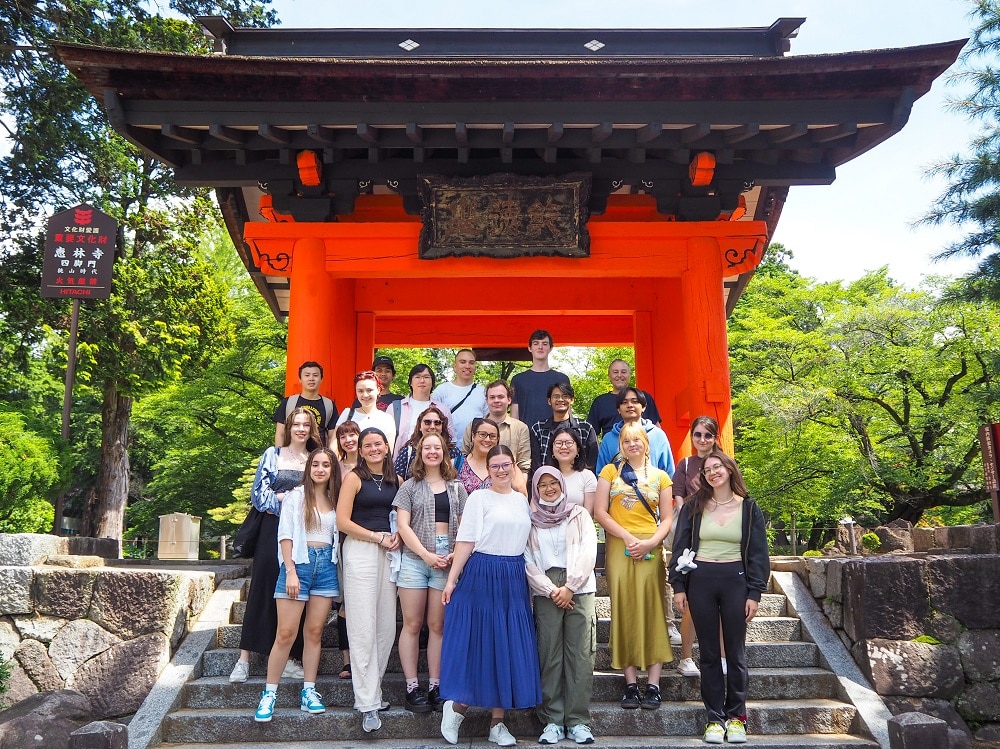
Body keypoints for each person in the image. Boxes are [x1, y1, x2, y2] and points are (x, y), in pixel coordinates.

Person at [439, 445, 542, 747]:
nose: (500, 470)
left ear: (514, 467)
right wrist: (451, 580)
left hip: (513, 578)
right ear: (488, 469)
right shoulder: (479, 498)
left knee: (507, 647)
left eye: (505, 464)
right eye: (494, 465)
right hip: (483, 573)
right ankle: (456, 709)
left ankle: (498, 723)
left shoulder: (523, 501)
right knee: (479, 644)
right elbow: (466, 539)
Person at [669, 450, 769, 746]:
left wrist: (755, 592)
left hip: (735, 582)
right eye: (707, 469)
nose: (713, 472)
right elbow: (680, 547)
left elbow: (758, 554)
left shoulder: (749, 508)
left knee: (735, 653)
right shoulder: (693, 506)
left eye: (718, 467)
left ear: (729, 470)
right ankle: (714, 718)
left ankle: (737, 718)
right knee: (710, 653)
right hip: (700, 582)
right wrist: (678, 586)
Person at [230, 408, 320, 684]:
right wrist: (288, 499)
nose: (301, 429)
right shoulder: (274, 454)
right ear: (289, 427)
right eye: (297, 424)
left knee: (296, 592)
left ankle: (291, 658)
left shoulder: (314, 459)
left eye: (306, 425)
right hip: (272, 529)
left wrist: (294, 502)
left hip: (303, 531)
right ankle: (244, 658)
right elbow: (260, 495)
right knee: (263, 587)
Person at [254, 447, 342, 722]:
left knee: (314, 632)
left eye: (325, 465)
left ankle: (309, 690)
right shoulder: (295, 496)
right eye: (315, 464)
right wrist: (290, 570)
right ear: (309, 468)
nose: (319, 469)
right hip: (299, 566)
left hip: (326, 567)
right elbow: (286, 534)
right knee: (286, 633)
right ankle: (269, 693)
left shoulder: (335, 498)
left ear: (331, 470)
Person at [594, 422, 674, 711]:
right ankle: (630, 683)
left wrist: (650, 542)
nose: (632, 444)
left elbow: (666, 519)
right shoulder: (609, 473)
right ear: (621, 446)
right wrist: (627, 537)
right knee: (624, 609)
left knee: (653, 610)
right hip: (619, 546)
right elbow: (599, 511)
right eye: (626, 441)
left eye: (636, 440)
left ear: (646, 443)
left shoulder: (661, 477)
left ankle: (653, 684)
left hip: (651, 548)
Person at [393, 432, 469, 713]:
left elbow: (465, 526)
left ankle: (436, 686)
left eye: (437, 447)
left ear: (444, 452)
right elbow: (403, 526)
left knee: (438, 626)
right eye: (427, 448)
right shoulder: (409, 487)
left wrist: (454, 554)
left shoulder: (457, 487)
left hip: (446, 558)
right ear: (420, 452)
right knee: (412, 625)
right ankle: (412, 687)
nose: (432, 452)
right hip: (415, 558)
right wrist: (425, 555)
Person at [524, 467, 598, 746]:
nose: (549, 488)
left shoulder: (579, 514)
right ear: (535, 489)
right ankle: (553, 720)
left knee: (581, 654)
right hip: (546, 589)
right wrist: (551, 589)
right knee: (549, 652)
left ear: (562, 485)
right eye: (542, 485)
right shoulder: (531, 520)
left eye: (554, 483)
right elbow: (527, 558)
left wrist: (570, 586)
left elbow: (589, 550)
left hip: (579, 586)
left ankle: (578, 720)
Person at [336, 427, 401, 733]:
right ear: (359, 451)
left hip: (389, 553)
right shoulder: (353, 478)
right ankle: (368, 704)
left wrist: (397, 537)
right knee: (362, 626)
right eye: (367, 445)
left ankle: (372, 691)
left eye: (378, 444)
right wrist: (376, 536)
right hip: (361, 550)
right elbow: (342, 521)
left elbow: (402, 518)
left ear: (387, 447)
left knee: (386, 627)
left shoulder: (396, 480)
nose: (373, 449)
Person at [671, 416, 723, 677]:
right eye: (698, 434)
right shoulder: (686, 463)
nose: (702, 440)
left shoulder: (725, 464)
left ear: (715, 438)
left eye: (708, 435)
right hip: (693, 532)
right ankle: (687, 657)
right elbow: (678, 492)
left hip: (721, 536)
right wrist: (685, 513)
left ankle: (723, 657)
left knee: (725, 602)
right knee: (692, 600)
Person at [333, 420, 361, 680]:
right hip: (339, 537)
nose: (349, 440)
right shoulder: (335, 468)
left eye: (353, 434)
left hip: (365, 538)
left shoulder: (369, 468)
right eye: (344, 436)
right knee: (343, 600)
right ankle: (347, 660)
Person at [596, 387, 675, 477]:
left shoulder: (657, 435)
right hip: (617, 490)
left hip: (653, 489)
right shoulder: (609, 438)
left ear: (643, 407)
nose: (630, 405)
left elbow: (669, 472)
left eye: (634, 401)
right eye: (624, 402)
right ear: (618, 410)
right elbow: (601, 474)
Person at [529, 381, 598, 478]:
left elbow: (592, 461)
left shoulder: (585, 428)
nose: (560, 399)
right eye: (556, 396)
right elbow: (536, 463)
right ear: (549, 401)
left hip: (579, 484)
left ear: (572, 400)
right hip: (547, 484)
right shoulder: (538, 428)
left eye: (565, 396)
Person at [461, 379, 531, 474]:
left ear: (509, 400)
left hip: (508, 483)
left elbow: (524, 465)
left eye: (500, 397)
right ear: (487, 400)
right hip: (475, 483)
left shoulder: (521, 428)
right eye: (492, 397)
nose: (496, 400)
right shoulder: (473, 426)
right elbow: (464, 458)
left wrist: (520, 487)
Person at [391, 363, 456, 458]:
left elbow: (451, 439)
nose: (422, 381)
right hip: (401, 464)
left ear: (432, 382)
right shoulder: (395, 407)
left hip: (435, 462)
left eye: (426, 377)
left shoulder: (443, 409)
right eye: (417, 377)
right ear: (410, 382)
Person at [586, 359, 661, 438]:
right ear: (609, 376)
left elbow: (656, 427)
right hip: (612, 448)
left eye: (623, 372)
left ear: (630, 375)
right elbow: (592, 436)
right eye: (615, 372)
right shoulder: (600, 402)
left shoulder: (644, 397)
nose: (619, 375)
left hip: (643, 446)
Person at [510, 329, 569, 428]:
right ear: (530, 348)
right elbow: (514, 416)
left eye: (545, 344)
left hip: (557, 437)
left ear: (550, 348)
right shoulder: (518, 380)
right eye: (536, 343)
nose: (540, 347)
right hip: (527, 437)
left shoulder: (562, 379)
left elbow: (568, 413)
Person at [272, 361, 338, 448]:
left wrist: (330, 458)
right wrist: (279, 455)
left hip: (317, 457)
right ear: (300, 379)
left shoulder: (329, 405)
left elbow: (332, 437)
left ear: (321, 379)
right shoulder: (288, 402)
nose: (311, 378)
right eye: (307, 375)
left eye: (315, 375)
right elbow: (280, 434)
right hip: (291, 456)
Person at [393, 404, 462, 481]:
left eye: (437, 423)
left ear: (442, 427)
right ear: (419, 426)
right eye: (427, 422)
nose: (432, 426)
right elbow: (397, 480)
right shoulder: (407, 452)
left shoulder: (453, 452)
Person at [431, 349, 488, 439]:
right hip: (447, 447)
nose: (467, 366)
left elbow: (488, 422)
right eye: (462, 362)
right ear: (455, 366)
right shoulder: (441, 391)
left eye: (471, 363)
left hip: (475, 448)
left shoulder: (484, 392)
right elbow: (432, 421)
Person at [337, 371, 397, 450]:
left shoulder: (387, 419)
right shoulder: (347, 413)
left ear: (378, 390)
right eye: (360, 391)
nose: (365, 395)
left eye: (369, 390)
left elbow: (388, 451)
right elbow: (335, 444)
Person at [548, 425, 597, 515]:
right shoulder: (544, 476)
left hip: (577, 526)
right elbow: (535, 511)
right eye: (558, 443)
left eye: (569, 443)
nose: (563, 447)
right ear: (552, 449)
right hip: (547, 527)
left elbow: (588, 515)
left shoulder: (587, 476)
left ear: (578, 449)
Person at [456, 416, 500, 495]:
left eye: (492, 436)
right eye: (482, 434)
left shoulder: (504, 465)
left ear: (497, 440)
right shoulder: (456, 464)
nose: (487, 440)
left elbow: (520, 490)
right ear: (473, 436)